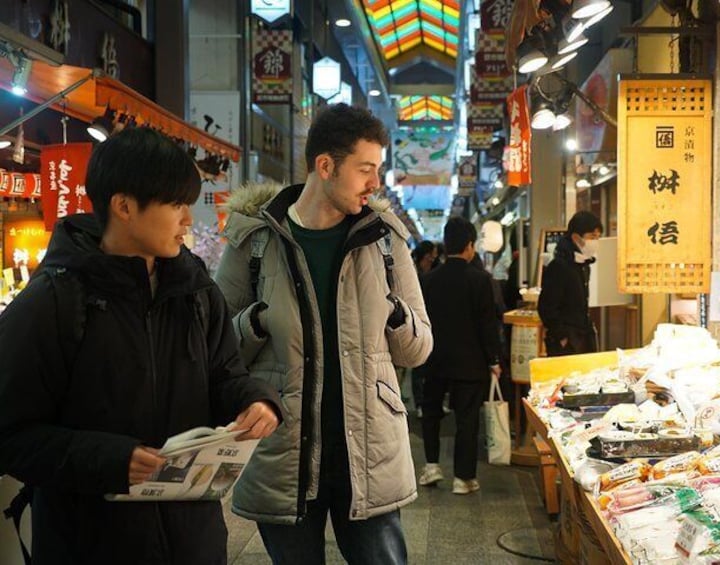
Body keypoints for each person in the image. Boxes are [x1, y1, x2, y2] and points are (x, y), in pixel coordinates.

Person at [0, 127, 283, 565]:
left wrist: (254, 400)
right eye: (175, 205)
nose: (189, 220)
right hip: (92, 544)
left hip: (193, 542)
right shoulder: (53, 302)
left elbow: (225, 374)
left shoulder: (196, 291)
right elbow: (12, 436)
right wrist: (107, 460)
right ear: (124, 206)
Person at [213, 103, 433, 565]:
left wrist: (392, 314)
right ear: (326, 166)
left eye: (379, 170)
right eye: (366, 169)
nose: (376, 183)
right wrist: (253, 324)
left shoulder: (385, 240)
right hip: (284, 453)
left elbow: (419, 349)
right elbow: (213, 347)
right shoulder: (254, 240)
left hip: (368, 453)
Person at [418, 217, 502, 495]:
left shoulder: (428, 280)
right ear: (469, 245)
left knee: (430, 414)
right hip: (470, 362)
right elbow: (487, 324)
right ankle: (463, 478)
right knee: (466, 418)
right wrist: (494, 359)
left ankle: (431, 465)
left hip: (432, 359)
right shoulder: (480, 280)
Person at [537, 210, 603, 356]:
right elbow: (546, 307)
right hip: (567, 342)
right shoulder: (559, 266)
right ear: (576, 237)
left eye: (598, 237)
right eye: (592, 236)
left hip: (582, 337)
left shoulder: (584, 264)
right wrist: (562, 337)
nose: (596, 241)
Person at [408, 240, 438, 416]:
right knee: (418, 367)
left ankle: (429, 403)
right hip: (414, 322)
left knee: (430, 364)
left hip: (430, 321)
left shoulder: (433, 271)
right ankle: (419, 403)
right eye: (432, 254)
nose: (434, 257)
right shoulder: (411, 271)